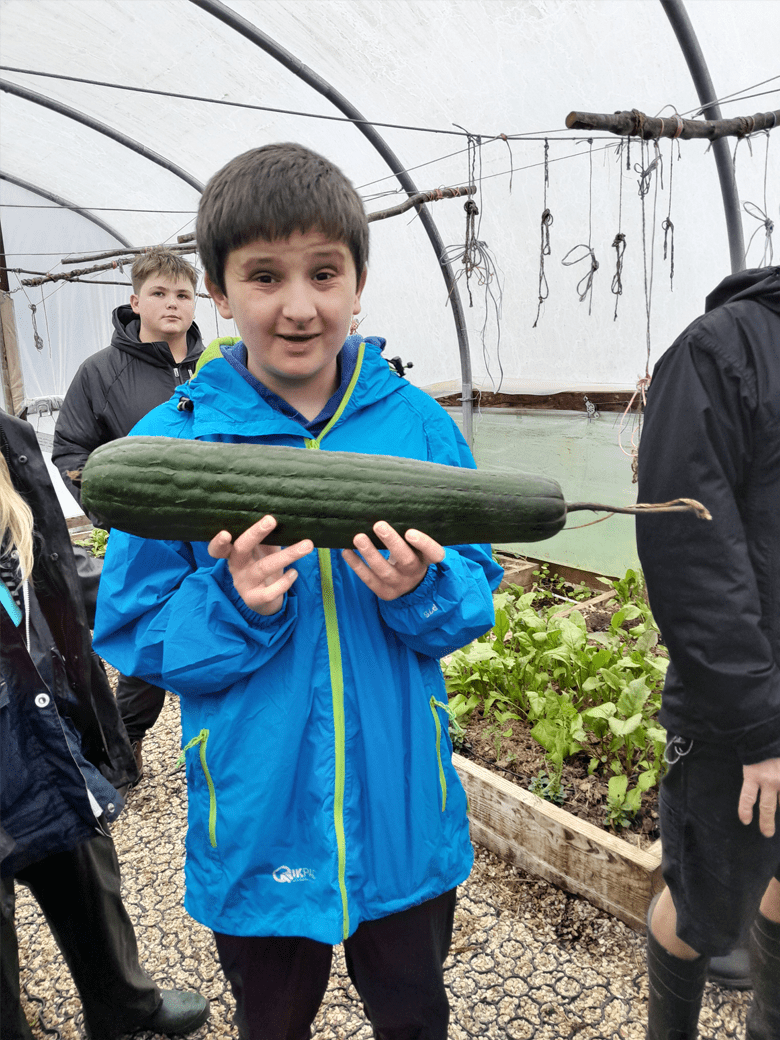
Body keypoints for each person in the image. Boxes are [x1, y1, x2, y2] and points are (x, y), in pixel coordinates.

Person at [93, 142, 502, 1040]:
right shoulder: (177, 444)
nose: (299, 305)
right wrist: (233, 606)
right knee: (272, 1022)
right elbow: (132, 628)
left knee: (415, 1014)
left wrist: (421, 591)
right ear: (220, 291)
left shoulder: (417, 425)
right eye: (265, 275)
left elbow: (479, 587)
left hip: (403, 813)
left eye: (325, 272)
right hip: (257, 815)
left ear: (359, 283)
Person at [0, 409, 210, 1039]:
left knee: (83, 862)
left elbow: (50, 570)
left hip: (32, 723)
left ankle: (125, 1004)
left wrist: (154, 578)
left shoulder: (5, 439)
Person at [635, 265, 780, 1039]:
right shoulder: (720, 351)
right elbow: (691, 558)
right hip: (742, 713)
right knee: (700, 909)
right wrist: (760, 731)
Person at [53, 248, 205, 778]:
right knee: (151, 641)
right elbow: (71, 450)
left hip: (217, 532)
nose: (172, 304)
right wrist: (113, 511)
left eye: (183, 295)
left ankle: (219, 743)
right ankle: (126, 749)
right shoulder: (101, 372)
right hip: (147, 536)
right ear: (135, 300)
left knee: (224, 628)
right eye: (159, 293)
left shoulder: (221, 368)